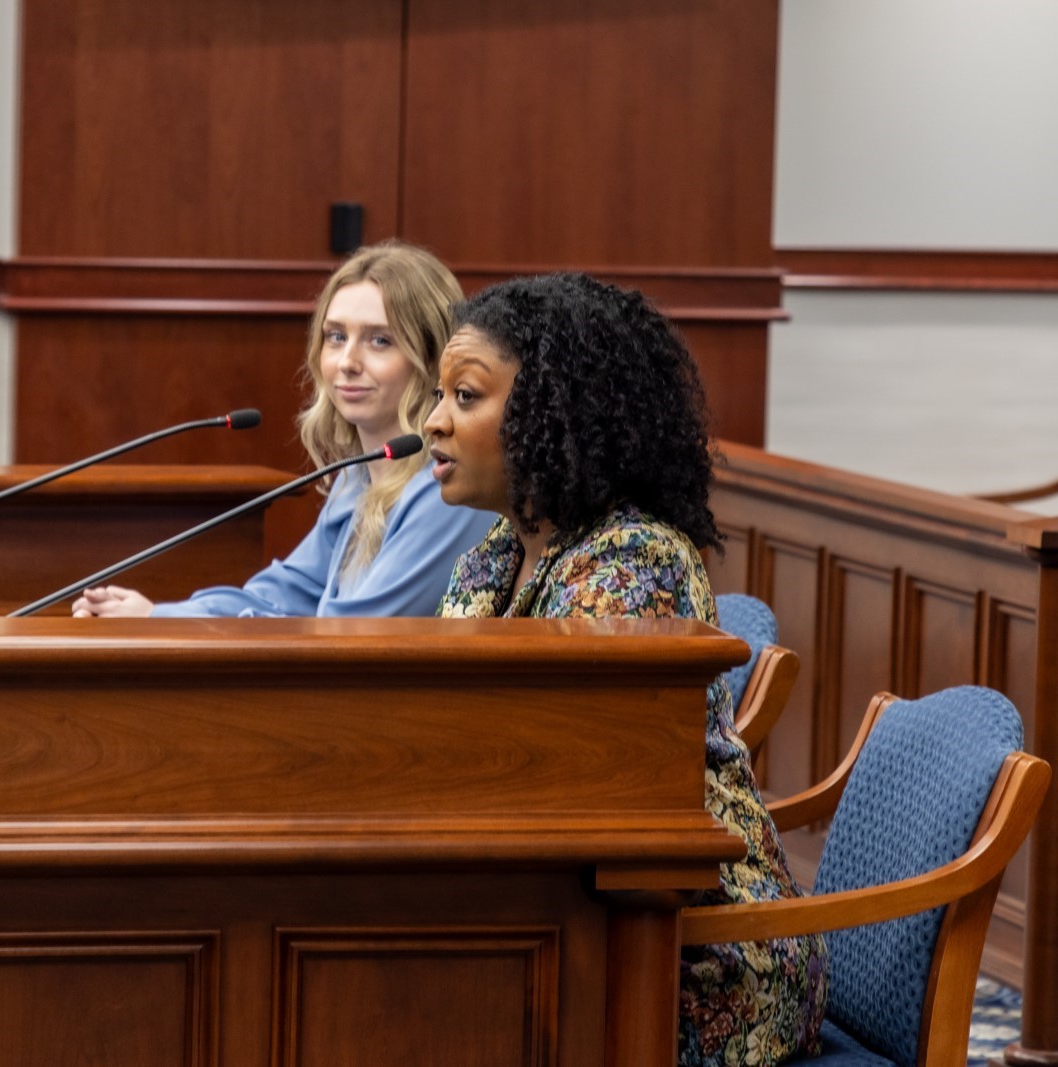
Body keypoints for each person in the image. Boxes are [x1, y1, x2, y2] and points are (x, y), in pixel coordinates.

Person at [423, 272, 828, 1067]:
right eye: (439, 396)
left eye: (465, 397)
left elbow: (564, 780)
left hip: (696, 948)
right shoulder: (493, 557)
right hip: (578, 907)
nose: (434, 422)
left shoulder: (632, 560)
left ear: (551, 413)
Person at [72, 241, 492, 619]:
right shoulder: (359, 477)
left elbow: (349, 638)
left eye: (379, 340)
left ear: (434, 356)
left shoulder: (445, 491)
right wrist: (156, 617)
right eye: (335, 336)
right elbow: (281, 596)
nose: (347, 360)